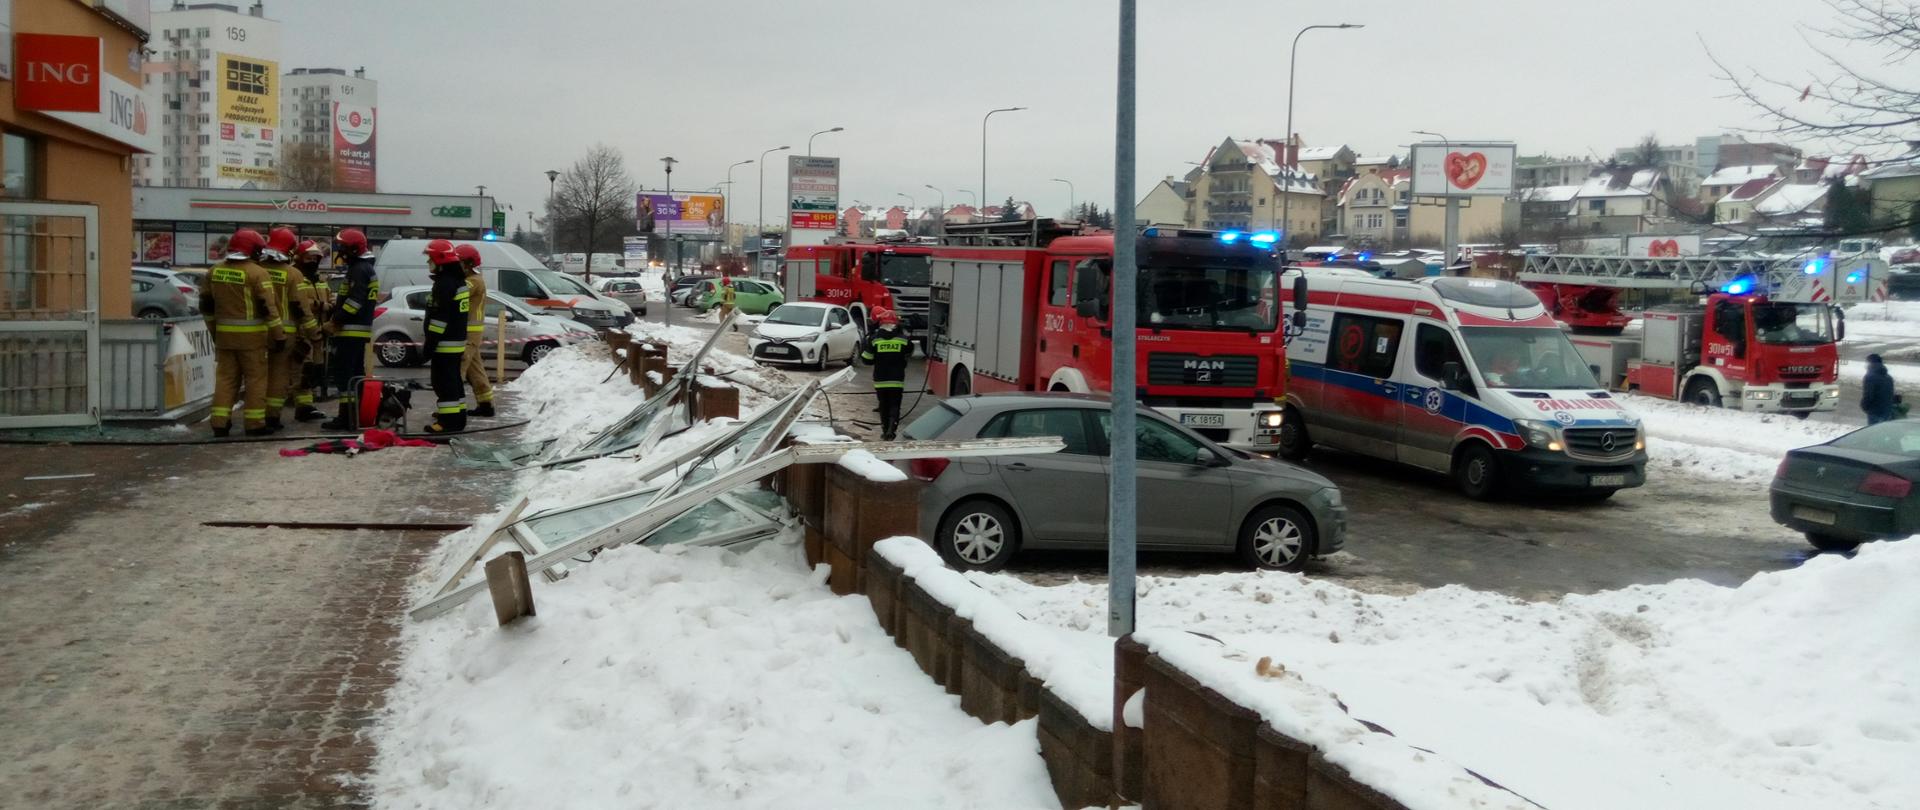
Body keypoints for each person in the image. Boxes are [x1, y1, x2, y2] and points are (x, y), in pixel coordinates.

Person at [201, 228, 283, 437]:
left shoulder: (214, 271)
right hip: (253, 339)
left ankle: (219, 423)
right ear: (251, 250)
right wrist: (279, 335)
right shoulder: (257, 273)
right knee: (255, 380)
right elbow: (269, 308)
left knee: (226, 380)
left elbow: (206, 306)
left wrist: (215, 333)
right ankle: (254, 424)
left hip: (225, 338)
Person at [321, 228, 379, 431]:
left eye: (343, 247)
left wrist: (335, 321)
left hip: (350, 330)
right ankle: (354, 416)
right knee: (354, 375)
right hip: (357, 330)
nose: (340, 251)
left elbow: (355, 302)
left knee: (344, 375)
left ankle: (346, 418)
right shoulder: (363, 268)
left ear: (352, 249)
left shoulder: (359, 269)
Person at [257, 227, 309, 430]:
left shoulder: (257, 270)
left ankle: (255, 416)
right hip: (286, 333)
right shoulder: (293, 274)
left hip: (258, 332)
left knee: (257, 375)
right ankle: (272, 417)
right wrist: (312, 334)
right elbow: (302, 308)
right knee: (279, 375)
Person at [421, 239, 471, 433]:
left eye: (430, 259)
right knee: (454, 382)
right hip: (456, 342)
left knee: (443, 383)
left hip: (444, 343)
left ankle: (447, 423)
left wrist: (429, 345)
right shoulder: (458, 281)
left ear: (439, 260)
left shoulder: (444, 284)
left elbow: (440, 318)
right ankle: (458, 419)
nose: (428, 263)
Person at [289, 239, 331, 421]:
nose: (313, 261)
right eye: (309, 258)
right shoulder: (295, 277)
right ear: (299, 258)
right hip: (301, 333)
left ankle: (307, 406)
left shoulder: (320, 279)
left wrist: (330, 305)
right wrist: (322, 306)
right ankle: (302, 407)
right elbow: (300, 303)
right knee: (301, 371)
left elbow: (329, 298)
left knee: (313, 372)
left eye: (316, 258)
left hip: (319, 333)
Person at [454, 243, 495, 417]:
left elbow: (455, 294)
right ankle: (486, 404)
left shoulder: (474, 281)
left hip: (469, 332)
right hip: (470, 332)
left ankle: (454, 408)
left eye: (458, 262)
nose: (455, 266)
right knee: (475, 370)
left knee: (458, 368)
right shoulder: (473, 279)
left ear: (468, 263)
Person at [860, 307, 914, 440]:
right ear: (896, 324)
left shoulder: (875, 340)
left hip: (880, 380)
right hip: (896, 380)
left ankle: (885, 431)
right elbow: (910, 352)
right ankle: (892, 429)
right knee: (895, 405)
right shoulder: (903, 340)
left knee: (883, 405)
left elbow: (866, 360)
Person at [1863, 353, 1896, 424]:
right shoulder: (1888, 377)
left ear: (1870, 363)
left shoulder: (1870, 377)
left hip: (1874, 411)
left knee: (1873, 431)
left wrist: (1864, 405)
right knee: (1883, 431)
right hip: (1887, 410)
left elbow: (1868, 395)